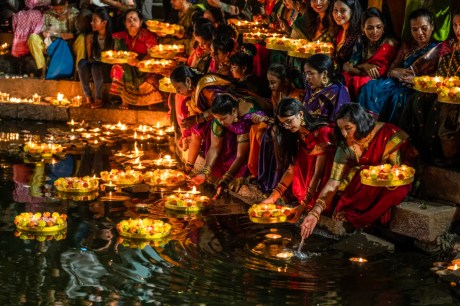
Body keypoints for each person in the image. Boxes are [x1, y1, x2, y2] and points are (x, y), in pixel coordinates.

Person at [300, 104, 418, 238]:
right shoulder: (345, 147)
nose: (344, 133)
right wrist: (315, 212)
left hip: (390, 181)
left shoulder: (388, 134)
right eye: (341, 129)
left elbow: (395, 169)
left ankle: (362, 217)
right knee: (359, 175)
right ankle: (355, 213)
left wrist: (377, 173)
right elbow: (334, 181)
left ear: (360, 123)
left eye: (348, 128)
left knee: (397, 190)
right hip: (364, 184)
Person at [358, 8, 441, 124]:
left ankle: (391, 133)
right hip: (397, 82)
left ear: (432, 26)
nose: (419, 33)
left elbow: (440, 76)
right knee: (370, 86)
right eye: (414, 29)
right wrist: (394, 72)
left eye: (424, 28)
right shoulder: (406, 46)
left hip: (419, 87)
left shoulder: (438, 49)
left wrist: (417, 80)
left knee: (399, 96)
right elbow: (390, 70)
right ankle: (367, 125)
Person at [400, 8, 460, 165]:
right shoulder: (450, 45)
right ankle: (418, 150)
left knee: (440, 106)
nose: (457, 30)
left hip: (456, 95)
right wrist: (420, 81)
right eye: (454, 25)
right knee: (418, 99)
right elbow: (441, 73)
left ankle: (443, 155)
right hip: (445, 89)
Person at [262, 98, 335, 222]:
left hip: (321, 185)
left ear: (300, 114)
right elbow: (292, 169)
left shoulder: (321, 133)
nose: (286, 127)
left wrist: (304, 204)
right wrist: (272, 198)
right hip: (306, 186)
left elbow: (319, 173)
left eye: (289, 121)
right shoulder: (295, 135)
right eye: (283, 123)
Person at [188, 93, 266, 198]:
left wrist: (226, 180)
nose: (220, 121)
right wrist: (204, 172)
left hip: (252, 142)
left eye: (223, 118)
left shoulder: (247, 119)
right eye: (217, 118)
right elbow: (214, 147)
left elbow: (241, 156)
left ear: (234, 111)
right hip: (235, 131)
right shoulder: (221, 118)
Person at [170, 65, 233, 173]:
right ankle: (189, 165)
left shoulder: (205, 88)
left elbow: (223, 106)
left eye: (178, 88)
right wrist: (188, 168)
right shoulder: (195, 93)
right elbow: (196, 129)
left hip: (233, 116)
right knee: (197, 127)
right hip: (218, 117)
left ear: (188, 81)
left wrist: (199, 118)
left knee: (202, 125)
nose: (178, 92)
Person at [251, 63, 303, 191]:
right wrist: (264, 119)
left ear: (285, 81)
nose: (270, 86)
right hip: (280, 126)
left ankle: (280, 171)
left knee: (275, 133)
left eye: (273, 82)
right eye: (269, 82)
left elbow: (294, 121)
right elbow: (276, 118)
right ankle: (260, 173)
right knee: (256, 130)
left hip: (292, 129)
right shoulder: (275, 95)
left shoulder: (297, 96)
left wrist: (271, 122)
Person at [110, 9, 163, 109]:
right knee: (118, 69)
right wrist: (125, 60)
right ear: (125, 24)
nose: (132, 22)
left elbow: (153, 54)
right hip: (127, 67)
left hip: (144, 67)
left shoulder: (147, 35)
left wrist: (139, 62)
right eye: (129, 20)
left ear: (141, 22)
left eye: (135, 19)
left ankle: (150, 101)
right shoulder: (120, 37)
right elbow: (116, 55)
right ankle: (125, 100)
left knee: (152, 75)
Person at [343, 7, 398, 100]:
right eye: (370, 28)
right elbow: (348, 65)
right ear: (363, 28)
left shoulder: (388, 44)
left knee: (360, 81)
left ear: (383, 27)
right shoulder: (361, 40)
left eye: (378, 27)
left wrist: (354, 68)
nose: (374, 32)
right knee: (343, 77)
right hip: (363, 74)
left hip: (380, 80)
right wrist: (365, 65)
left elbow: (377, 74)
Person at [27, 0, 84, 78]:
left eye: (61, 9)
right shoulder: (47, 14)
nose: (58, 11)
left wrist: (72, 35)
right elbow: (42, 30)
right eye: (55, 9)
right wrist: (45, 33)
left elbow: (79, 31)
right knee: (32, 38)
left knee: (82, 39)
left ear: (66, 4)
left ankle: (78, 71)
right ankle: (42, 68)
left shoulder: (74, 13)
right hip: (51, 45)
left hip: (69, 45)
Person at [78, 8, 113, 109]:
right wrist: (92, 60)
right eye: (91, 20)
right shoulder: (91, 36)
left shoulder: (112, 37)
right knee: (81, 63)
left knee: (96, 67)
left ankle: (99, 98)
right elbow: (89, 57)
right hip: (95, 62)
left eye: (95, 20)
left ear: (104, 23)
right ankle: (88, 96)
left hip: (107, 65)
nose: (91, 23)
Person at [303, 54, 350, 122]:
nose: (307, 78)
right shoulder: (311, 89)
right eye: (306, 74)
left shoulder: (336, 93)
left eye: (311, 74)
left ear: (324, 74)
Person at [332, 0, 362, 72]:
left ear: (353, 12)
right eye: (335, 10)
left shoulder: (358, 36)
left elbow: (354, 65)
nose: (338, 14)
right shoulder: (340, 31)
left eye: (343, 10)